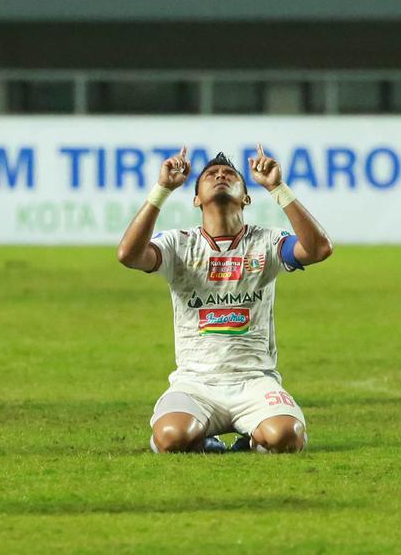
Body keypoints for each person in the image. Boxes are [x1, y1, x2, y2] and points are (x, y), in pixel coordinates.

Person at [116, 146, 333, 454]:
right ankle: (206, 441)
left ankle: (253, 440)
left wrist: (277, 188)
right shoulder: (179, 244)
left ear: (246, 197)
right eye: (211, 175)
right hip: (195, 384)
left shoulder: (266, 242)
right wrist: (162, 189)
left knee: (287, 437)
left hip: (255, 380)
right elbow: (128, 255)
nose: (220, 175)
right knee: (171, 438)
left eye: (230, 174)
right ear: (196, 199)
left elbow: (318, 249)